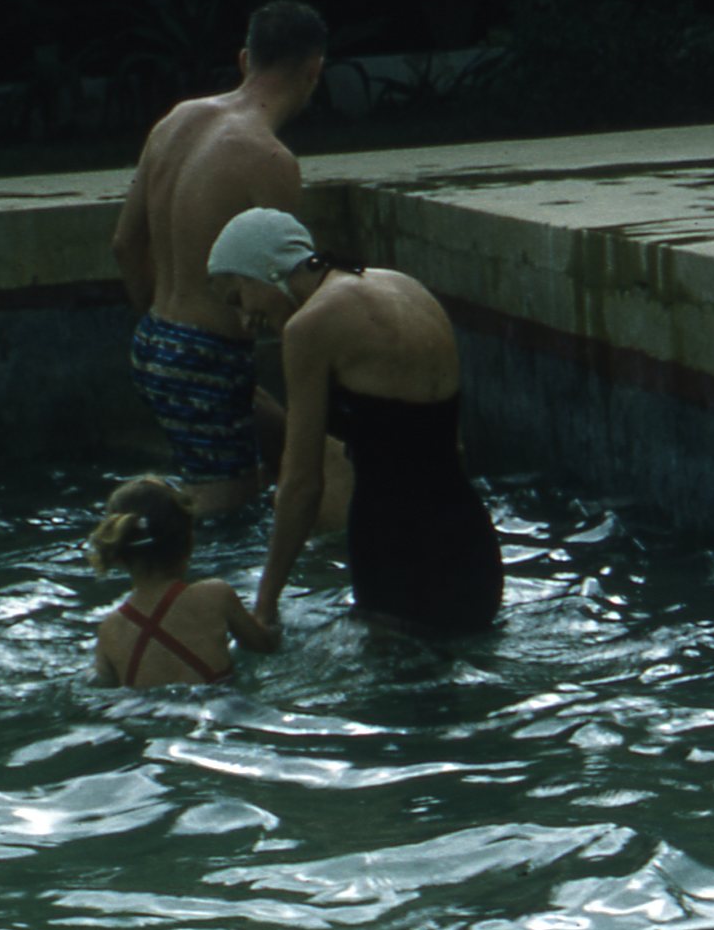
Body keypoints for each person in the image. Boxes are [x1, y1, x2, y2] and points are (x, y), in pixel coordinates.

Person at [212, 208, 504, 637]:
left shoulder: (309, 328)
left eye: (238, 297)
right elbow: (453, 446)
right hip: (474, 551)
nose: (244, 319)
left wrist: (264, 607)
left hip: (396, 563)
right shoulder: (404, 286)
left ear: (264, 270)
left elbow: (302, 484)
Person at [111, 0, 328, 517]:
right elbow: (282, 291)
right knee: (225, 521)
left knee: (295, 454)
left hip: (153, 339)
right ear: (313, 71)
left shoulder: (176, 121)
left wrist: (167, 337)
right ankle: (155, 570)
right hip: (206, 356)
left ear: (244, 59)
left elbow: (124, 244)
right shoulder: (270, 160)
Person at [87, 476, 279, 686]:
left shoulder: (110, 631)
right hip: (221, 702)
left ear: (118, 556)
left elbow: (103, 687)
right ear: (189, 541)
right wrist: (270, 618)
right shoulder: (215, 596)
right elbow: (266, 646)